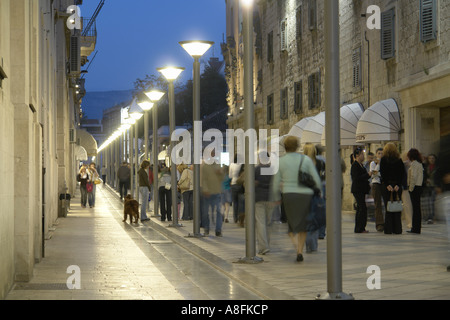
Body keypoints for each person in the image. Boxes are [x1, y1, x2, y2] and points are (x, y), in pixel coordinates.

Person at [272, 136, 321, 262]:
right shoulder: (306, 160)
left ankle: (296, 248)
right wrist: (319, 191)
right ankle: (300, 250)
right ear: (297, 146)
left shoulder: (281, 161)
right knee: (303, 224)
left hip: (289, 194)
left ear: (285, 147)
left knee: (292, 224)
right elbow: (316, 178)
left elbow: (276, 181)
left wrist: (276, 197)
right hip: (305, 195)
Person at [380, 142, 406, 235]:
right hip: (397, 186)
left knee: (388, 207)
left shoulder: (383, 160)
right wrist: (397, 185)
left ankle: (388, 229)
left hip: (387, 187)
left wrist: (387, 184)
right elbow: (402, 173)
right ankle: (397, 229)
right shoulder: (399, 160)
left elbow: (382, 173)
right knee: (397, 206)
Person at [303, 143, 324, 252]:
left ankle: (308, 243)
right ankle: (314, 245)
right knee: (316, 217)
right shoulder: (319, 163)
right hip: (316, 192)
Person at [200, 151, 225, 237]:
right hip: (208, 193)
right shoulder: (205, 166)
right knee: (206, 212)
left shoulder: (218, 165)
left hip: (217, 192)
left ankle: (218, 230)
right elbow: (204, 179)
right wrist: (205, 189)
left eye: (214, 153)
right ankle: (206, 228)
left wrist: (221, 173)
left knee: (218, 211)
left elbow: (222, 178)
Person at [254, 153, 274, 255]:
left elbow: (252, 183)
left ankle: (263, 247)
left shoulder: (256, 169)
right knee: (269, 223)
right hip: (271, 198)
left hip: (259, 198)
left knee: (260, 223)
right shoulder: (272, 169)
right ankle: (267, 244)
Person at [351, 147, 372, 233]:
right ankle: (359, 227)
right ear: (357, 155)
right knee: (362, 208)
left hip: (362, 189)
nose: (363, 156)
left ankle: (360, 227)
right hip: (357, 190)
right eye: (362, 154)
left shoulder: (361, 165)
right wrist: (367, 175)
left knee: (361, 208)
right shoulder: (355, 165)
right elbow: (356, 178)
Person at [407, 148, 424, 234]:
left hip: (414, 188)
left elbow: (413, 177)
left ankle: (415, 228)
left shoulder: (414, 164)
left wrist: (410, 188)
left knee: (415, 208)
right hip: (419, 187)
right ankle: (417, 227)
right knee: (417, 208)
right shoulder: (420, 164)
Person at [370, 148, 384, 232]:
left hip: (383, 184)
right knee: (378, 204)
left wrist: (378, 172)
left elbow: (382, 174)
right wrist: (378, 165)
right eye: (379, 153)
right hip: (376, 184)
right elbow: (374, 174)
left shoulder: (385, 163)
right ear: (376, 154)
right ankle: (379, 224)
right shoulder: (373, 163)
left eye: (382, 153)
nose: (380, 155)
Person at [229, 155, 244, 224]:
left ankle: (235, 218)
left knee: (235, 202)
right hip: (240, 185)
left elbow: (230, 176)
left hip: (233, 184)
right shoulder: (242, 164)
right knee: (241, 202)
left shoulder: (232, 165)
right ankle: (240, 217)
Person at [423, 154, 438, 224]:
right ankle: (428, 217)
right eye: (430, 158)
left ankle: (431, 217)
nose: (431, 160)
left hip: (434, 186)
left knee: (431, 202)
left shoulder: (437, 167)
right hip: (427, 186)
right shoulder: (426, 167)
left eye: (433, 158)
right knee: (428, 202)